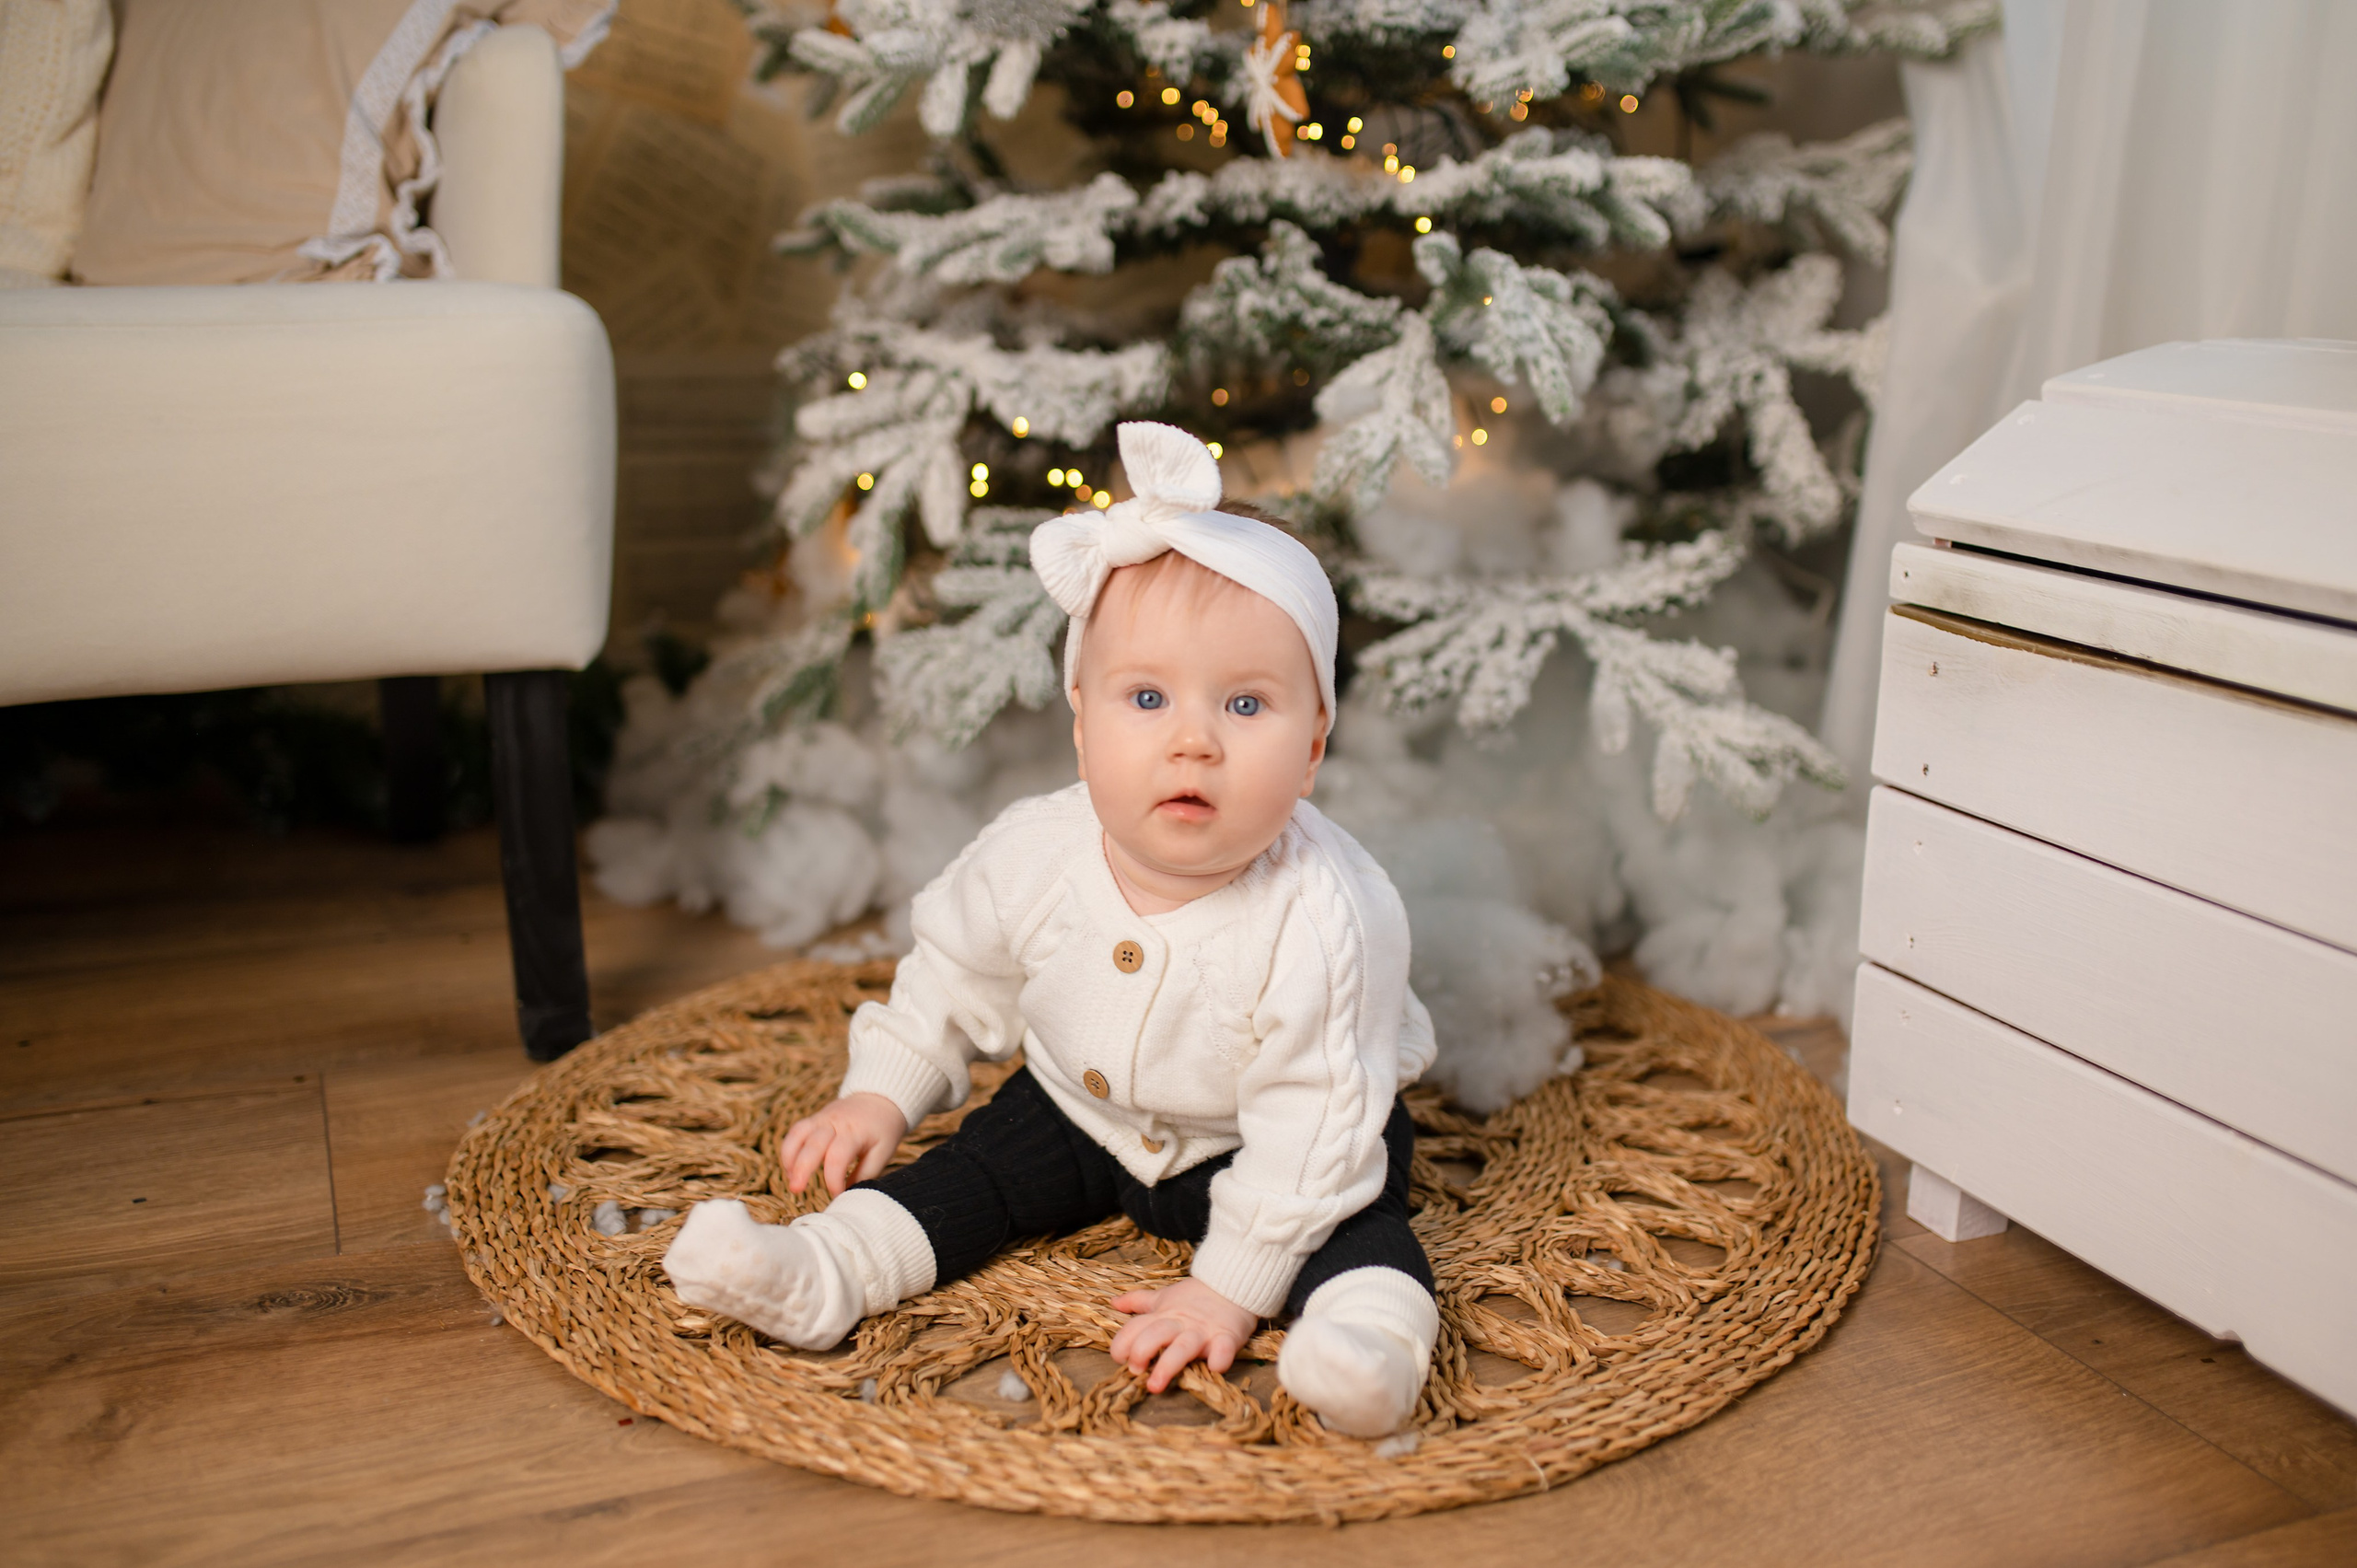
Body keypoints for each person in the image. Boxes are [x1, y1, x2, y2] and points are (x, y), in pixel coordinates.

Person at [661, 422, 1438, 1437]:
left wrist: (1231, 1287)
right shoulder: (1037, 851)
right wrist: (879, 1091)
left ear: (1312, 746)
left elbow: (1312, 1127)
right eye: (1147, 696)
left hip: (1275, 1138)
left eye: (1246, 703)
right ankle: (824, 1269)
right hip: (1083, 1108)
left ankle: (1369, 1348)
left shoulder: (1329, 916)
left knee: (1354, 1226)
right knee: (971, 1172)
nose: (1192, 739)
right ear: (1080, 718)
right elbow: (954, 971)